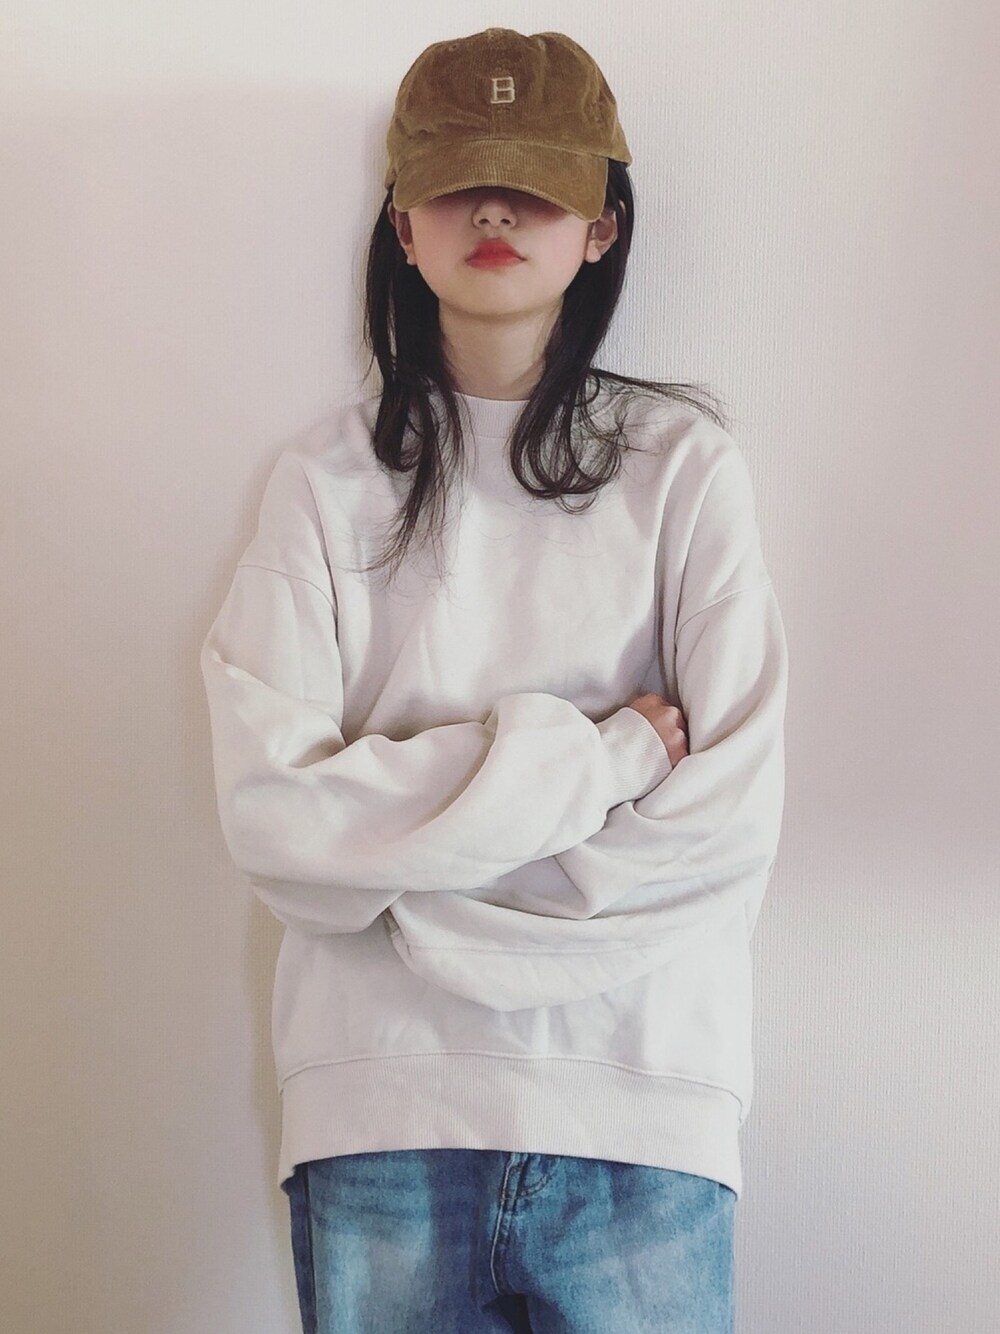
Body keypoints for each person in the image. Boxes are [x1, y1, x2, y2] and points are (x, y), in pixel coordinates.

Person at [199, 26, 788, 1334]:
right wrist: (607, 759)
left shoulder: (686, 470)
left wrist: (415, 880)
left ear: (603, 226)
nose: (498, 209)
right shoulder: (322, 487)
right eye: (462, 177)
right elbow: (274, 818)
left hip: (644, 1103)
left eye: (537, 181)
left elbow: (732, 820)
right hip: (380, 1105)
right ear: (402, 225)